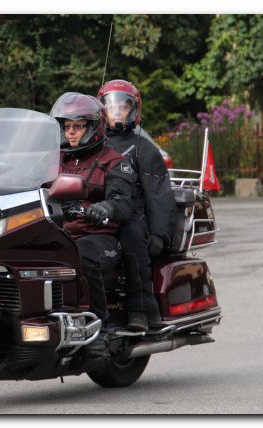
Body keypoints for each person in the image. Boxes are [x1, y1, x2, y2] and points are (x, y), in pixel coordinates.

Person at [50, 92, 135, 356]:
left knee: (82, 257)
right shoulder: (55, 160)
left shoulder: (114, 162)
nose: (71, 133)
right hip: (62, 232)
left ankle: (100, 329)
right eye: (67, 127)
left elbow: (123, 204)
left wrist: (103, 208)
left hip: (100, 237)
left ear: (93, 127)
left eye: (77, 126)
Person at [97, 79, 177, 332]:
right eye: (112, 107)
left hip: (133, 213)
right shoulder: (94, 144)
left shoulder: (144, 147)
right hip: (100, 210)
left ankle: (143, 310)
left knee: (132, 239)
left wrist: (158, 234)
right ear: (102, 110)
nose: (117, 111)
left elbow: (159, 193)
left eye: (123, 106)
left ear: (134, 110)